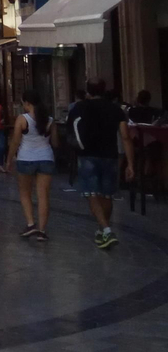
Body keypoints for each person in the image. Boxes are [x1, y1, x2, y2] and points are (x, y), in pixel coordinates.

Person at [71, 78, 134, 249]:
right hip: (110, 156)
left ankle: (106, 230)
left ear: (88, 91)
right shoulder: (115, 109)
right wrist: (130, 163)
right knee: (107, 195)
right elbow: (125, 136)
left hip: (88, 155)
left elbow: (72, 130)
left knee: (92, 193)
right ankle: (102, 230)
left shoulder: (80, 107)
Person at [9, 93, 57, 240]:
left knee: (25, 193)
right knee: (43, 195)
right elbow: (55, 143)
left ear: (27, 103)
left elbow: (15, 141)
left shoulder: (22, 119)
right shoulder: (50, 120)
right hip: (46, 158)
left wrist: (8, 159)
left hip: (26, 158)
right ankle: (42, 230)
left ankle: (31, 224)